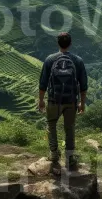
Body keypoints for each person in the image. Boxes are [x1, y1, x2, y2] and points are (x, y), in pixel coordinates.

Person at [38, 32, 88, 172]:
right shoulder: (78, 61)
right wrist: (82, 103)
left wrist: (41, 100)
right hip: (71, 101)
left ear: (58, 43)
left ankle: (54, 154)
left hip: (54, 100)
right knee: (69, 128)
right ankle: (70, 158)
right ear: (70, 43)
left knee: (51, 126)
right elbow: (83, 85)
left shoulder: (50, 60)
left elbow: (43, 83)